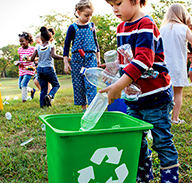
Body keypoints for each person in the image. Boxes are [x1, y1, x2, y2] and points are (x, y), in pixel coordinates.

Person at [101, 0, 179, 182]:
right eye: (111, 4)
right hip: (134, 99)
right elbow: (127, 59)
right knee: (136, 141)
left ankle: (170, 179)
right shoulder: (121, 28)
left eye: (119, 3)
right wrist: (113, 69)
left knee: (161, 141)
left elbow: (143, 61)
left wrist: (118, 86)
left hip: (155, 98)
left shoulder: (146, 24)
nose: (114, 9)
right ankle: (143, 177)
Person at [63, 0, 101, 111]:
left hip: (90, 58)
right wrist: (66, 63)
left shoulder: (91, 26)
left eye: (90, 15)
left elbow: (96, 42)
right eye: (86, 15)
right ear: (78, 13)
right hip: (77, 59)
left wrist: (98, 58)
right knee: (79, 83)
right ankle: (84, 108)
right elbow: (66, 46)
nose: (88, 18)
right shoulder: (73, 27)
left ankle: (92, 107)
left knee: (91, 82)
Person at [160, 3, 192, 124]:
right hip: (178, 65)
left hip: (163, 66)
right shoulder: (184, 29)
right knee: (178, 92)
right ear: (183, 15)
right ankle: (175, 118)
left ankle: (164, 117)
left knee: (164, 92)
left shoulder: (162, 29)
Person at [31, 26, 65, 108]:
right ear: (50, 39)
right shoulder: (51, 46)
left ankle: (42, 105)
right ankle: (50, 95)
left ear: (41, 38)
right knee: (56, 85)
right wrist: (64, 57)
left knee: (43, 88)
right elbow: (54, 56)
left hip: (40, 69)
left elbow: (32, 58)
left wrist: (37, 59)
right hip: (48, 68)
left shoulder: (38, 47)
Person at [17, 32, 36, 103]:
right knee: (20, 86)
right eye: (20, 42)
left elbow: (36, 58)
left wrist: (30, 58)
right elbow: (20, 59)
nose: (21, 43)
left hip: (29, 69)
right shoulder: (19, 49)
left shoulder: (32, 49)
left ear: (28, 40)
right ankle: (32, 90)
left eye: (22, 41)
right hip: (21, 70)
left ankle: (24, 100)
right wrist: (18, 63)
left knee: (24, 84)